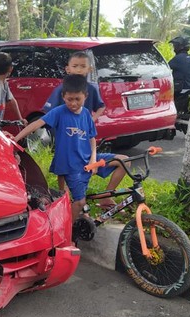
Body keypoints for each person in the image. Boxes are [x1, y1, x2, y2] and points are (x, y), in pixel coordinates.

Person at [13, 74, 127, 221]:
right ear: (63, 96)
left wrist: (93, 159)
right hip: (72, 166)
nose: (73, 103)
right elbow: (37, 124)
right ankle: (69, 233)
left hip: (88, 160)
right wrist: (16, 139)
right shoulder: (59, 112)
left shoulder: (86, 114)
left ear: (85, 96)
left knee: (124, 161)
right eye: (69, 99)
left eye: (77, 99)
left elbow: (92, 138)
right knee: (79, 202)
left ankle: (105, 198)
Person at [42, 51, 127, 208]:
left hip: (85, 144)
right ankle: (66, 204)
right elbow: (46, 116)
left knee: (122, 161)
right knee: (65, 173)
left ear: (89, 69)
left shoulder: (91, 89)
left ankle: (105, 197)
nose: (79, 70)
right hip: (67, 144)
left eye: (83, 66)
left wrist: (91, 121)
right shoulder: (63, 90)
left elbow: (101, 107)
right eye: (75, 66)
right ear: (68, 69)